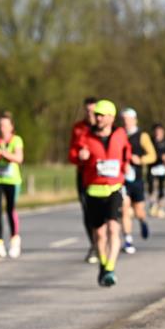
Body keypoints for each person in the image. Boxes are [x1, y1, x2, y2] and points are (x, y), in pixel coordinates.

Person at [76, 100, 129, 287]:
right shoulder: (86, 136)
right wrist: (81, 157)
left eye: (101, 115)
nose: (97, 118)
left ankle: (110, 268)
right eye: (96, 115)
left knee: (114, 228)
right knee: (99, 234)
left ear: (111, 117)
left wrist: (126, 167)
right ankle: (103, 264)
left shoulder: (120, 134)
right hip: (93, 189)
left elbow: (126, 153)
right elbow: (74, 155)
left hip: (114, 188)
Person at [0, 111, 25, 258]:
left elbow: (19, 158)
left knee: (10, 209)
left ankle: (15, 240)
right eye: (0, 125)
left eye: (5, 125)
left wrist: (2, 153)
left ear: (11, 127)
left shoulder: (16, 140)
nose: (2, 128)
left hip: (12, 180)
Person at [68, 97, 99, 262]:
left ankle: (104, 241)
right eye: (87, 111)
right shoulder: (78, 128)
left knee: (103, 211)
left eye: (93, 111)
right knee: (87, 211)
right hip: (83, 174)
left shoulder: (106, 129)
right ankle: (94, 245)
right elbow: (71, 152)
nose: (91, 114)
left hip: (102, 175)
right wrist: (79, 157)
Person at [120, 108, 154, 254]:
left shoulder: (142, 136)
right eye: (124, 120)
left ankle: (142, 221)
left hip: (137, 179)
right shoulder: (118, 135)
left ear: (135, 120)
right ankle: (128, 239)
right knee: (124, 207)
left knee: (139, 211)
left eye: (128, 119)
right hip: (122, 178)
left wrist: (140, 160)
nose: (126, 122)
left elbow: (152, 155)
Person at [146, 123, 165, 217]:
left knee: (161, 188)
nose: (158, 133)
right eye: (156, 131)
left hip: (161, 168)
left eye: (160, 131)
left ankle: (161, 208)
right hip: (152, 167)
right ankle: (152, 205)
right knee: (151, 187)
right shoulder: (150, 141)